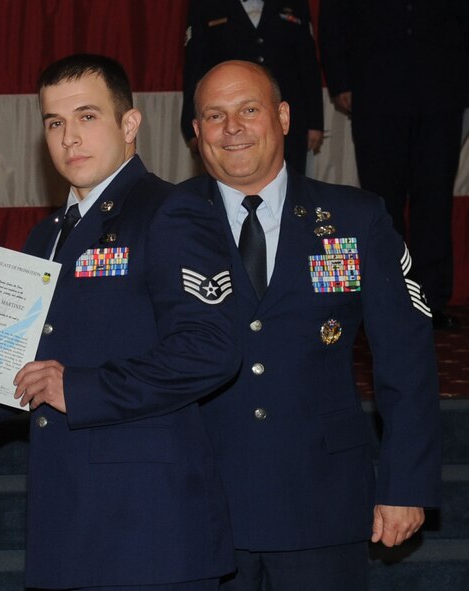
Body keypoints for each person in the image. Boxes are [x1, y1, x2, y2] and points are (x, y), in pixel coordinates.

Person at [0, 53, 241, 590]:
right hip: (66, 528)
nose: (69, 138)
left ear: (129, 124)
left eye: (87, 116)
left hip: (150, 534)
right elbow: (13, 369)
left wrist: (82, 387)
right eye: (54, 123)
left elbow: (210, 348)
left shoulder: (169, 211)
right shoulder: (45, 236)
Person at [181, 59, 441, 590]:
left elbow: (406, 359)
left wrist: (405, 483)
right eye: (214, 115)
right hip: (197, 499)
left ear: (282, 117)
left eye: (248, 110)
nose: (232, 128)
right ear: (196, 131)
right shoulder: (166, 221)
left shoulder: (356, 219)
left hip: (322, 498)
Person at [319, 0, 469, 330]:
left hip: (441, 93)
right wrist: (340, 81)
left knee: (435, 200)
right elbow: (333, 21)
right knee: (382, 204)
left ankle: (430, 301)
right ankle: (386, 298)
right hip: (375, 92)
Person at [179, 0, 324, 174]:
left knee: (290, 180)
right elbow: (194, 68)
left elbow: (308, 65)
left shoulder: (294, 3)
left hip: (288, 118)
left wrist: (315, 121)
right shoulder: (205, 4)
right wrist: (191, 127)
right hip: (227, 118)